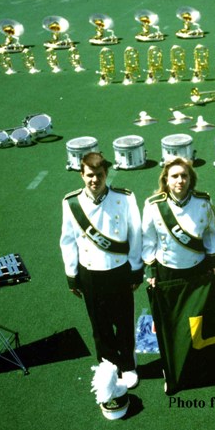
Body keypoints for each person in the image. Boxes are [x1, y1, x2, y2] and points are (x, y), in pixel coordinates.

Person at [60, 152, 143, 389]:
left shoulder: (124, 198)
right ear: (81, 175)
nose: (94, 180)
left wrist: (136, 270)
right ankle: (109, 364)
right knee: (99, 325)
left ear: (106, 174)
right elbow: (67, 241)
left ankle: (127, 363)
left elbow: (135, 235)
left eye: (99, 175)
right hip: (90, 272)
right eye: (89, 175)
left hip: (118, 271)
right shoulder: (71, 203)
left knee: (124, 321)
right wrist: (72, 275)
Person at [142, 157, 215, 286]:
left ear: (190, 179)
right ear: (166, 180)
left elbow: (210, 234)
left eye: (184, 176)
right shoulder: (153, 205)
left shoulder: (203, 202)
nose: (180, 181)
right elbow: (148, 239)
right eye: (174, 176)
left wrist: (213, 262)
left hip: (197, 267)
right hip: (166, 270)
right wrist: (151, 270)